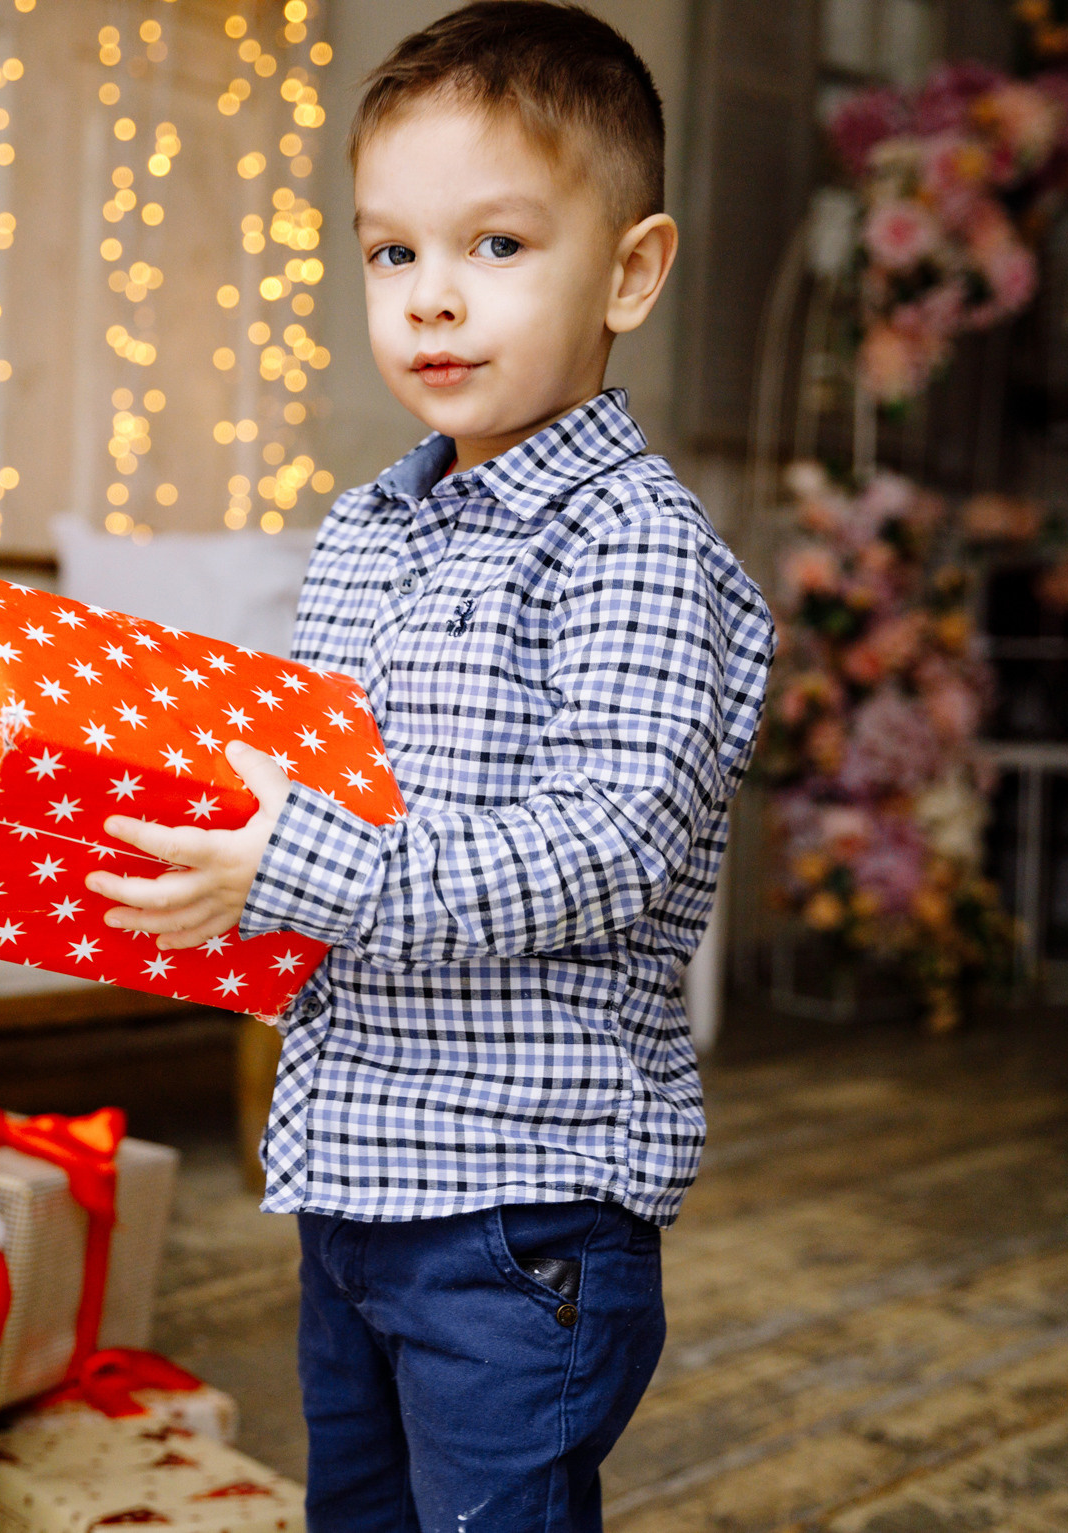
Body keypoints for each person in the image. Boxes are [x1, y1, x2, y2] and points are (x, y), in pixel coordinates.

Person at [85, 5, 777, 1527]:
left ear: (631, 270)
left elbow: (609, 841)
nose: (433, 301)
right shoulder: (360, 531)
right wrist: (205, 861)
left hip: (519, 1209)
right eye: (392, 254)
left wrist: (296, 857)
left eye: (498, 246)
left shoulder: (633, 546)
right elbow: (320, 800)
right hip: (351, 1180)